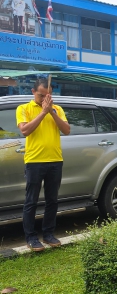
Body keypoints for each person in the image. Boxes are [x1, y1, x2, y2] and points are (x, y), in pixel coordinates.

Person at [16, 78, 71, 252]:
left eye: (48, 95)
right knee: (31, 201)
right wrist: (43, 112)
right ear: (33, 92)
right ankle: (31, 237)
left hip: (55, 160)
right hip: (34, 161)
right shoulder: (24, 108)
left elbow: (67, 130)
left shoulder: (58, 109)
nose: (45, 98)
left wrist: (51, 112)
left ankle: (48, 234)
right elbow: (25, 130)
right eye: (41, 95)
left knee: (52, 200)